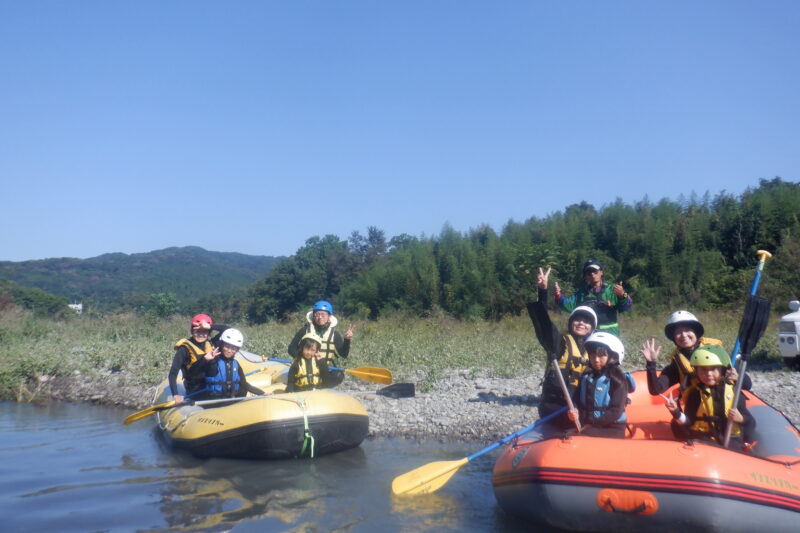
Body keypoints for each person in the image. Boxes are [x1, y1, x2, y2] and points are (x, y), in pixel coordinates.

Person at [527, 266, 598, 433]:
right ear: (571, 323)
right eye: (577, 320)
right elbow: (544, 324)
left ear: (592, 328)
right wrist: (542, 291)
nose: (581, 323)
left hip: (579, 410)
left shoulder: (594, 351)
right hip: (554, 409)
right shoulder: (559, 343)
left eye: (586, 321)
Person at [641, 310, 750, 400]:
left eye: (688, 330)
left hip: (725, 403)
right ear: (674, 338)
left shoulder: (716, 353)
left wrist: (738, 378)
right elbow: (656, 390)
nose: (683, 335)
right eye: (678, 332)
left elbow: (748, 384)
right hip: (698, 408)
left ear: (696, 334)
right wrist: (651, 364)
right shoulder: (677, 363)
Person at [663, 345, 755, 450]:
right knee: (675, 424)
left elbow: (751, 423)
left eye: (713, 369)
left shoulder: (734, 393)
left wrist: (742, 419)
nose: (708, 374)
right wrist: (676, 412)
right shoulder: (695, 394)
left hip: (730, 440)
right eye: (703, 370)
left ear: (723, 370)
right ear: (696, 372)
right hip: (704, 440)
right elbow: (689, 422)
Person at [567, 331, 634, 439]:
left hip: (612, 428)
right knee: (566, 434)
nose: (596, 360)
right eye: (593, 355)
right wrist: (574, 412)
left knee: (576, 437)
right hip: (590, 424)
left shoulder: (618, 379)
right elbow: (577, 400)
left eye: (601, 355)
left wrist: (592, 424)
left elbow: (615, 411)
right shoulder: (587, 377)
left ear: (612, 357)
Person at [555, 259, 631, 337]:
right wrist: (558, 296)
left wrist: (622, 295)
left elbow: (627, 306)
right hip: (589, 334)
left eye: (595, 271)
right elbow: (567, 305)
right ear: (585, 275)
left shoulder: (613, 289)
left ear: (601, 272)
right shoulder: (581, 293)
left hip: (610, 333)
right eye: (588, 272)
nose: (592, 274)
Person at [288, 300, 354, 386]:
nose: (320, 317)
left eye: (323, 314)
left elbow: (344, 354)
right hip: (305, 367)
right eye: (317, 314)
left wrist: (347, 340)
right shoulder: (305, 330)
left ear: (329, 317)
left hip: (324, 368)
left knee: (338, 375)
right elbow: (291, 348)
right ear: (313, 316)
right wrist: (303, 359)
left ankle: (321, 387)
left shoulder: (334, 334)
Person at [168, 314, 219, 404]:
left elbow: (229, 330)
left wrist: (210, 326)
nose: (201, 334)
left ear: (209, 333)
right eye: (197, 331)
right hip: (195, 390)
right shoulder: (184, 349)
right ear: (192, 331)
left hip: (211, 386)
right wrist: (175, 394)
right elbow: (173, 373)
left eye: (204, 332)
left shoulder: (211, 343)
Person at [202, 328, 265, 400]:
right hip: (214, 402)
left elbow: (243, 383)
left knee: (242, 389)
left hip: (231, 399)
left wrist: (262, 393)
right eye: (227, 346)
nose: (229, 351)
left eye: (233, 348)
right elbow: (206, 372)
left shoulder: (235, 363)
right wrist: (208, 360)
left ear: (237, 350)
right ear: (221, 345)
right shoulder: (213, 361)